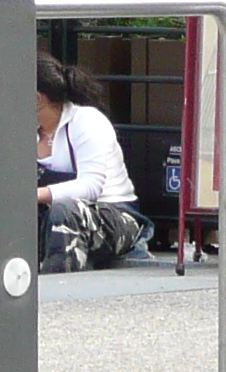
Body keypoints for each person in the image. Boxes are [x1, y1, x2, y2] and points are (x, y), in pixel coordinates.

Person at [34, 56, 148, 273]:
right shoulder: (23, 131)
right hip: (50, 216)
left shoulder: (86, 121)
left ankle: (58, 288)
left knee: (64, 212)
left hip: (113, 216)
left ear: (37, 98)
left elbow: (91, 186)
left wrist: (34, 194)